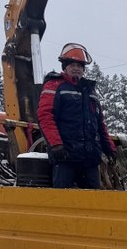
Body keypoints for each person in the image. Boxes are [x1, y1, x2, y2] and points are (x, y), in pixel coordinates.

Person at [37, 44, 117, 188]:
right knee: (63, 202)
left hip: (90, 160)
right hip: (65, 157)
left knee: (93, 202)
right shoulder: (54, 86)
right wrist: (56, 145)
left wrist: (109, 148)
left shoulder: (90, 91)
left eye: (80, 65)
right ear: (64, 66)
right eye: (72, 64)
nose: (76, 68)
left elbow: (99, 124)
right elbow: (45, 116)